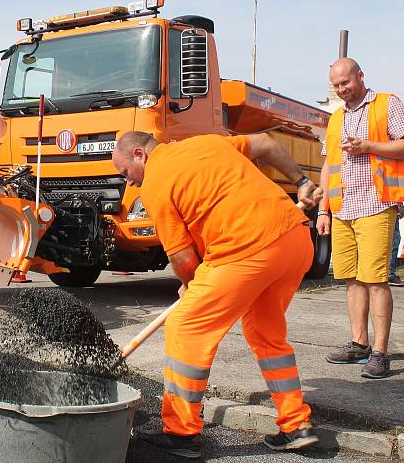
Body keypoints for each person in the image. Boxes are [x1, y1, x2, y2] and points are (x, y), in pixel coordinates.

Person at [112, 130, 322, 459]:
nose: (132, 184)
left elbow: (181, 259)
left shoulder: (155, 180)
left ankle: (181, 434)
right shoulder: (205, 142)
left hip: (246, 248)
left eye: (126, 173)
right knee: (267, 334)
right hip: (294, 239)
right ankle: (296, 425)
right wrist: (302, 181)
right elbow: (266, 142)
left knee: (186, 326)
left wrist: (190, 282)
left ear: (139, 154)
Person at [316, 58, 404, 380]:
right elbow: (327, 165)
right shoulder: (334, 119)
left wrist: (369, 146)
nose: (340, 89)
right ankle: (359, 343)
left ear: (360, 77)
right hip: (343, 207)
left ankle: (380, 353)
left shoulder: (387, 104)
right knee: (351, 279)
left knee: (375, 279)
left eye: (345, 83)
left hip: (376, 203)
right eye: (335, 86)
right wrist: (323, 210)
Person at [388, 204, 404, 286]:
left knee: (394, 242)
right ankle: (389, 274)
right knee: (393, 242)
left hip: (390, 209)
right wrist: (400, 205)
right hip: (387, 209)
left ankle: (389, 274)